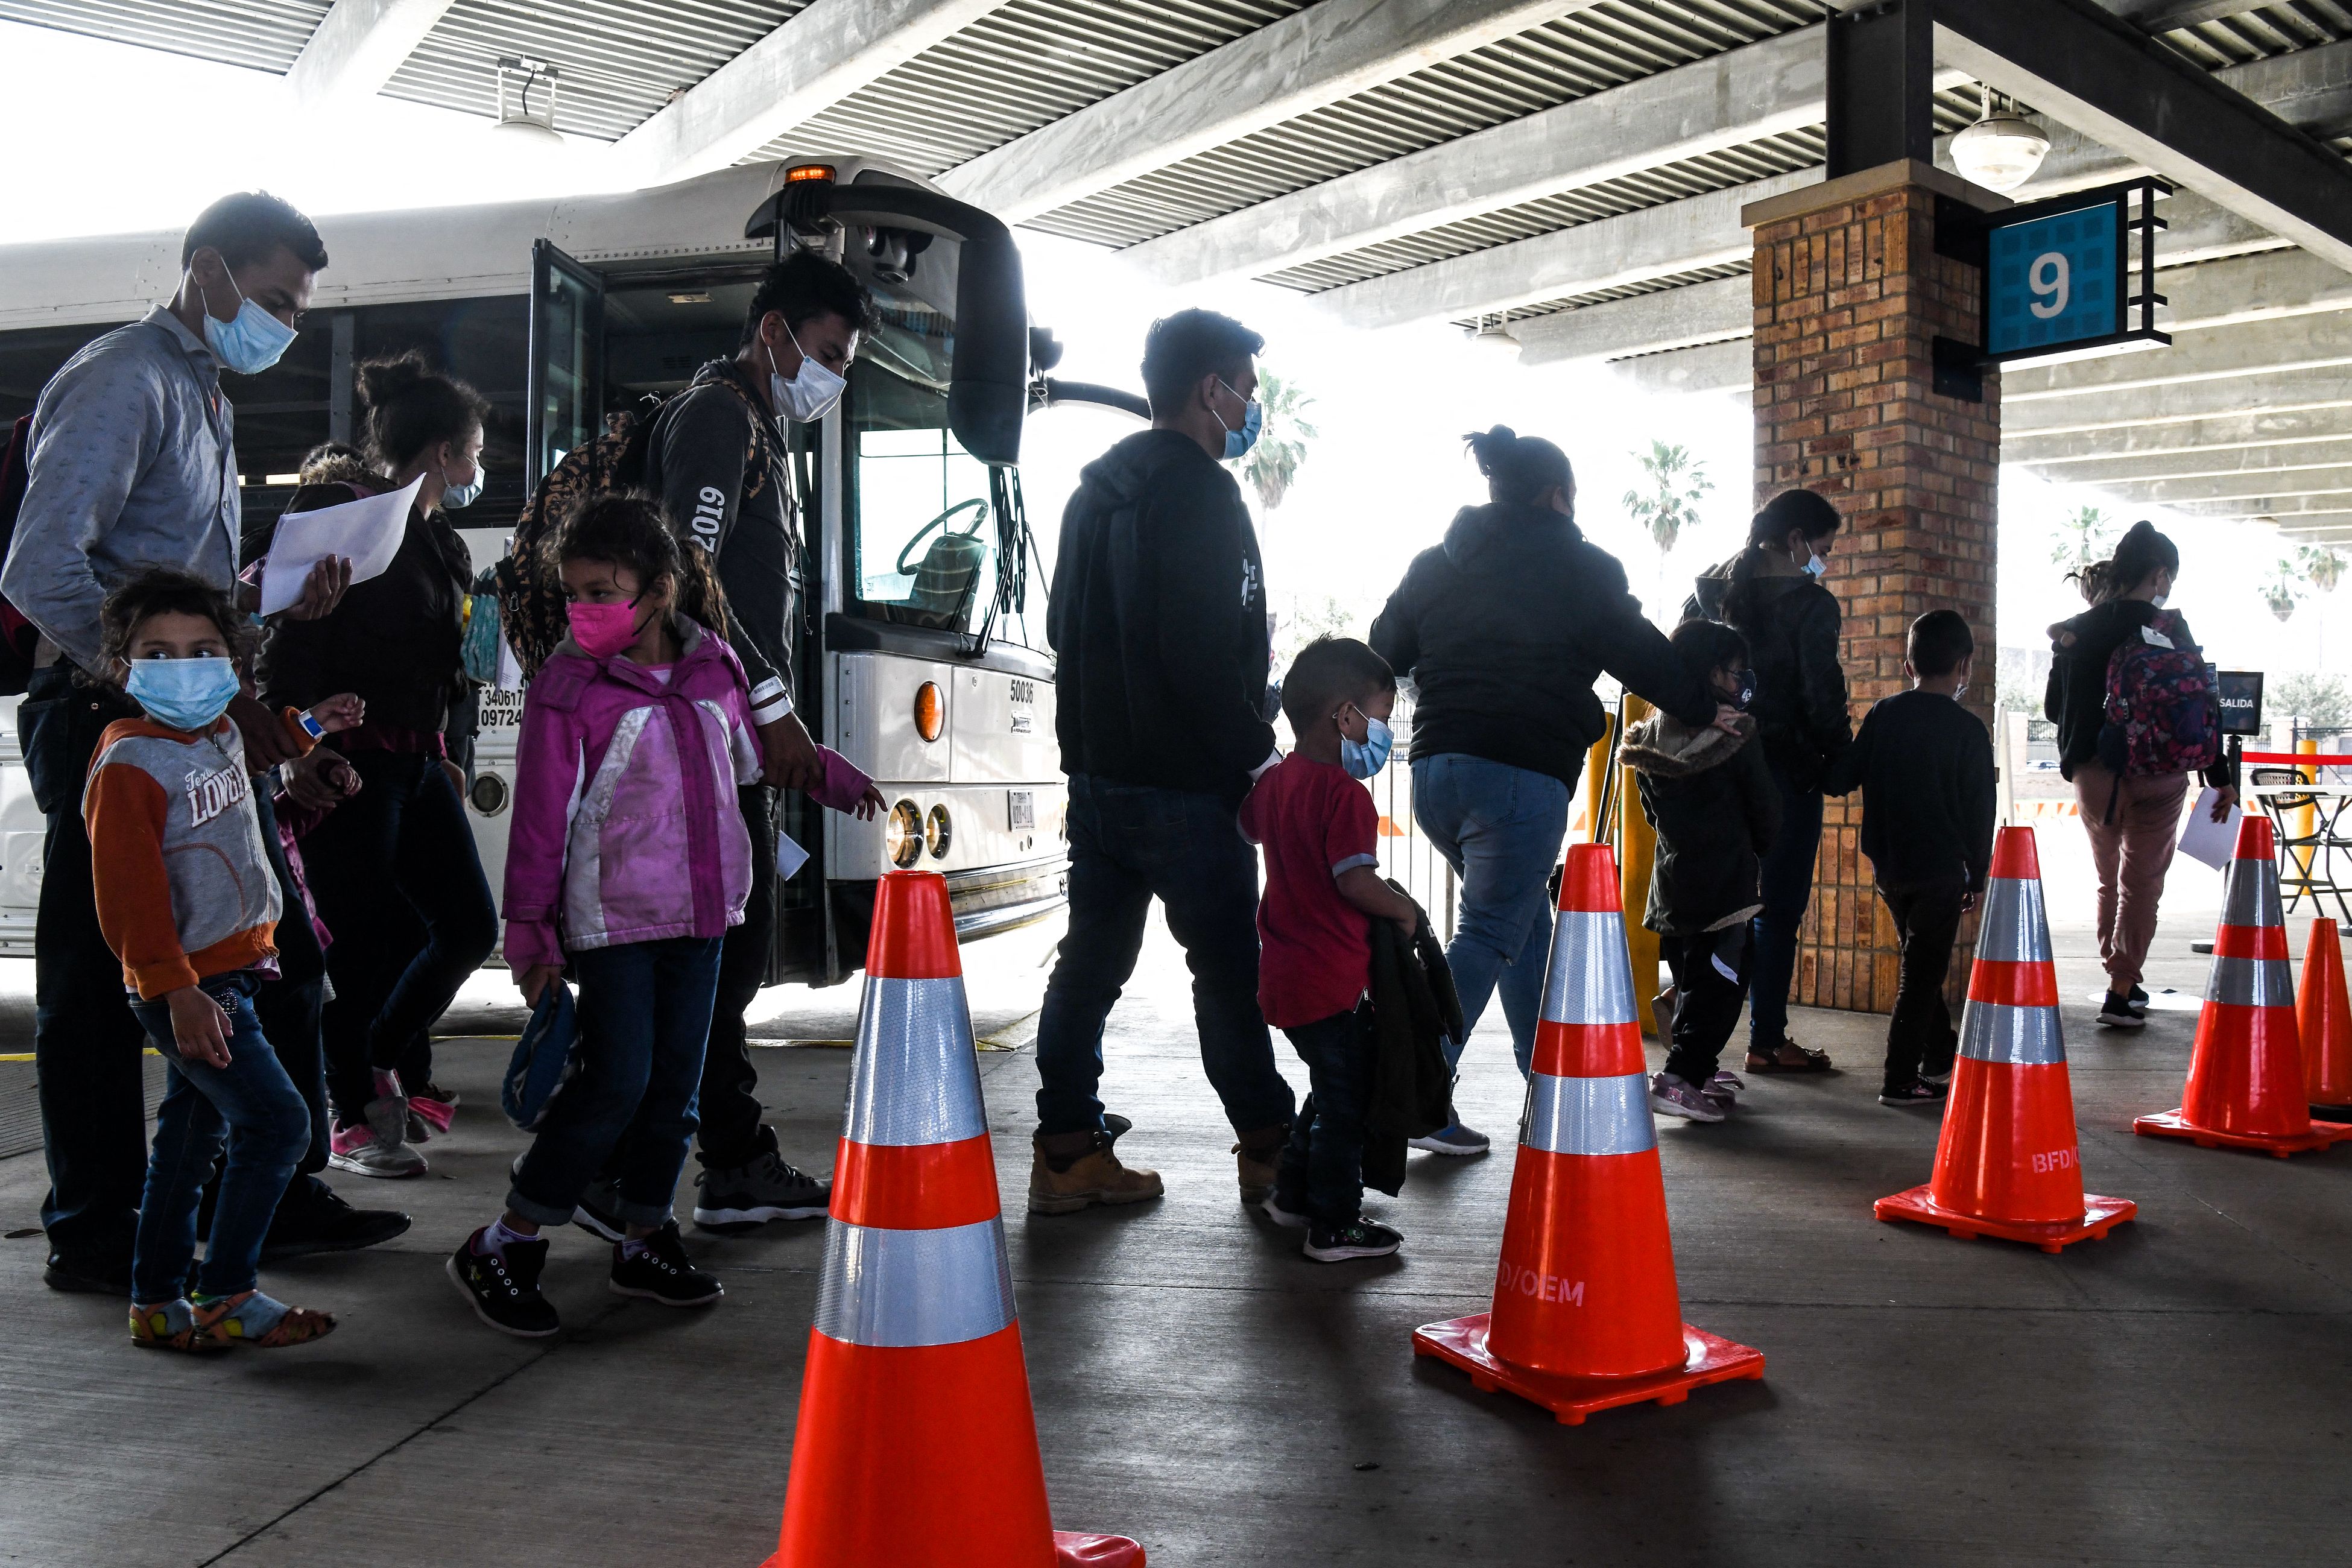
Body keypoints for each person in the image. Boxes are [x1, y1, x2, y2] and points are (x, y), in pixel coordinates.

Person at [4, 190, 409, 1295]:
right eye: (272, 299)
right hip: (110, 717)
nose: (284, 325)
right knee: (100, 984)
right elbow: (41, 569)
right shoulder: (124, 380)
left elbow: (174, 584)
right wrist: (157, 683)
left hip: (182, 714)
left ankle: (260, 1190)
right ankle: (97, 1229)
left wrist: (277, 606)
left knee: (265, 955)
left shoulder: (200, 394)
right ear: (208, 270)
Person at [448, 494, 763, 1337]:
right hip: (614, 921)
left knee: (675, 1091)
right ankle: (505, 1240)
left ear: (659, 591)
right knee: (615, 1081)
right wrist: (531, 933)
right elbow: (542, 822)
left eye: (601, 592)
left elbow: (745, 767)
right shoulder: (567, 687)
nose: (583, 611)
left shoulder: (714, 669)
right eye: (574, 594)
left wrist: (833, 776)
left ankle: (644, 1236)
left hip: (700, 918)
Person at [1370, 426, 1734, 1137]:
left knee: (1522, 928)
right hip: (1520, 775)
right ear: (1559, 495)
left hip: (1436, 770)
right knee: (1488, 931)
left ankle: (1551, 1085)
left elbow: (1384, 650)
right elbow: (1642, 654)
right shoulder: (1580, 567)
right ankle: (1410, 1088)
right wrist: (1704, 706)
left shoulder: (1436, 562)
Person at [1031, 307, 1298, 1216]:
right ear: (1208, 389)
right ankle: (1269, 1146)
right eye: (1246, 392)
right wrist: (1257, 757)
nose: (1250, 410)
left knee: (1090, 965)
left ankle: (1067, 1149)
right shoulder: (1201, 494)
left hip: (1100, 779)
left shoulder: (1090, 493)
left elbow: (1063, 629)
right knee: (1228, 969)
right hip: (1188, 784)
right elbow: (1200, 652)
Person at [630, 250, 876, 1232]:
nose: (834, 378)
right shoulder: (720, 417)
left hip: (727, 737)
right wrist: (773, 711)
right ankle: (663, 1161)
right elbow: (688, 578)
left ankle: (720, 1158)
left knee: (727, 964)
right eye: (828, 352)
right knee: (718, 965)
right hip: (701, 739)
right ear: (772, 332)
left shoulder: (758, 435)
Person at [86, 569, 353, 1351]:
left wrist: (308, 730)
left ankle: (157, 1301)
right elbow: (128, 898)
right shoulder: (129, 762)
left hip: (227, 972)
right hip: (190, 984)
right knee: (278, 1124)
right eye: (157, 654)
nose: (183, 667)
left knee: (191, 1138)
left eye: (202, 650)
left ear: (233, 663)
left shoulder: (223, 735)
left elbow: (246, 793)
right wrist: (176, 991)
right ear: (121, 667)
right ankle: (227, 1290)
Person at [256, 353, 498, 1178]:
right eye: (471, 452)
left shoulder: (439, 542)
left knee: (466, 926)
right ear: (440, 453)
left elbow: (454, 664)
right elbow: (297, 636)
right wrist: (298, 746)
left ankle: (381, 1054)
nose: (477, 470)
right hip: (349, 761)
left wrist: (453, 750)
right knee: (357, 946)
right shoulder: (343, 512)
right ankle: (352, 1110)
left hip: (420, 761)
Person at [1239, 637, 1421, 1262]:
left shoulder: (1282, 782)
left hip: (1286, 977)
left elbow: (1247, 824)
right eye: (1379, 717)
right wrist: (1405, 909)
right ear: (1344, 717)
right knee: (1346, 1106)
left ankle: (1291, 1195)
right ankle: (1334, 1221)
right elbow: (1355, 879)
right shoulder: (1347, 797)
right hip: (1331, 981)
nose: (1382, 733)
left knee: (1329, 1085)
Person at [2044, 520, 2235, 1029]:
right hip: (2162, 772)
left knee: (2109, 879)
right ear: (2158, 575)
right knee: (2143, 883)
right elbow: (2202, 705)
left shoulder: (2078, 630)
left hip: (2097, 774)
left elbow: (2051, 706)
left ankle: (2119, 971)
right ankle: (2122, 987)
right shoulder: (2171, 628)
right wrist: (2220, 776)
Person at [1687, 489, 1852, 1075]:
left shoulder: (1707, 593)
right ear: (1796, 539)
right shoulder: (1811, 605)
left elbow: (1683, 668)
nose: (1823, 560)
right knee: (1777, 909)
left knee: (1712, 899)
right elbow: (1821, 691)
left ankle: (1693, 1042)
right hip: (1786, 768)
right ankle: (1767, 1038)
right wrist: (1841, 755)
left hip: (1712, 762)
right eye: (1823, 548)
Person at [1824, 610, 1997, 1105]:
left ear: (1908, 665)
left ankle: (1941, 1055)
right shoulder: (1968, 730)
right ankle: (1900, 1079)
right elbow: (1978, 810)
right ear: (1965, 666)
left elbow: (1842, 778)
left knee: (1919, 964)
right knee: (1919, 977)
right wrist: (1978, 873)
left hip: (1891, 868)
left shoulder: (1884, 713)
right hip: (1941, 871)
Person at [1624, 619, 1778, 1124]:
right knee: (1726, 981)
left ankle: (1698, 1061)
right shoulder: (1735, 735)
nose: (1741, 683)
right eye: (1736, 673)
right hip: (1727, 885)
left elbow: (1653, 813)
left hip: (1674, 885)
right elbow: (1764, 809)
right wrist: (1762, 846)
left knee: (1697, 973)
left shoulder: (1650, 740)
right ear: (1713, 674)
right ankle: (1681, 1077)